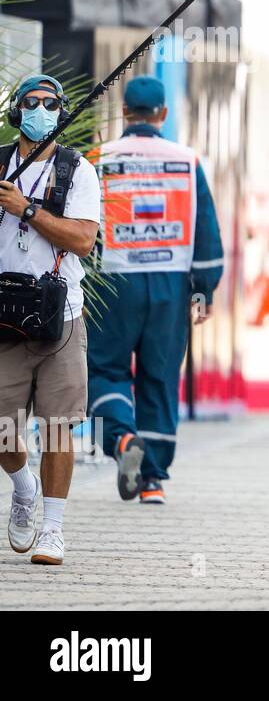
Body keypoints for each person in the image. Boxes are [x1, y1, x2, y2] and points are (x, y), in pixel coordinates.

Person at [87, 76, 224, 505]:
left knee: (103, 370)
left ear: (125, 113)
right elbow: (206, 232)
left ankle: (122, 439)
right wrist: (203, 291)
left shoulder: (97, 158)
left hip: (112, 283)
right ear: (163, 114)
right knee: (160, 376)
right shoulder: (187, 161)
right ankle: (153, 481)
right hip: (170, 285)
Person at [0, 75, 101, 566]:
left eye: (50, 103)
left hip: (60, 316)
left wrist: (27, 209)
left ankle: (53, 530)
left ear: (62, 112)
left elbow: (82, 240)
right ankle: (23, 486)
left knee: (58, 426)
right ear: (16, 112)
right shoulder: (0, 163)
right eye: (31, 102)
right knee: (1, 428)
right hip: (3, 318)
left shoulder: (76, 170)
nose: (40, 110)